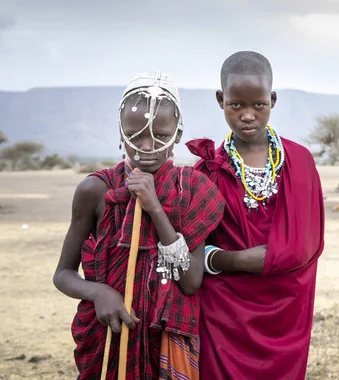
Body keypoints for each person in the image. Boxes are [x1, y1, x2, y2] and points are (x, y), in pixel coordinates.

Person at [53, 72, 224, 380]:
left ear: (178, 132)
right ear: (121, 134)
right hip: (108, 336)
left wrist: (154, 206)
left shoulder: (193, 189)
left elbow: (190, 282)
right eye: (135, 135)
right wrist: (98, 292)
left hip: (167, 341)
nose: (147, 146)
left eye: (160, 135)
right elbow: (63, 274)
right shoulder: (95, 190)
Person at [186, 51, 325, 380]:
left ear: (272, 100)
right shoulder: (206, 172)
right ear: (221, 100)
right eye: (236, 105)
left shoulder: (300, 162)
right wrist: (230, 262)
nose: (248, 115)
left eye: (258, 105)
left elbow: (305, 245)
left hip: (287, 310)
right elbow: (194, 249)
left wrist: (235, 258)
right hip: (224, 315)